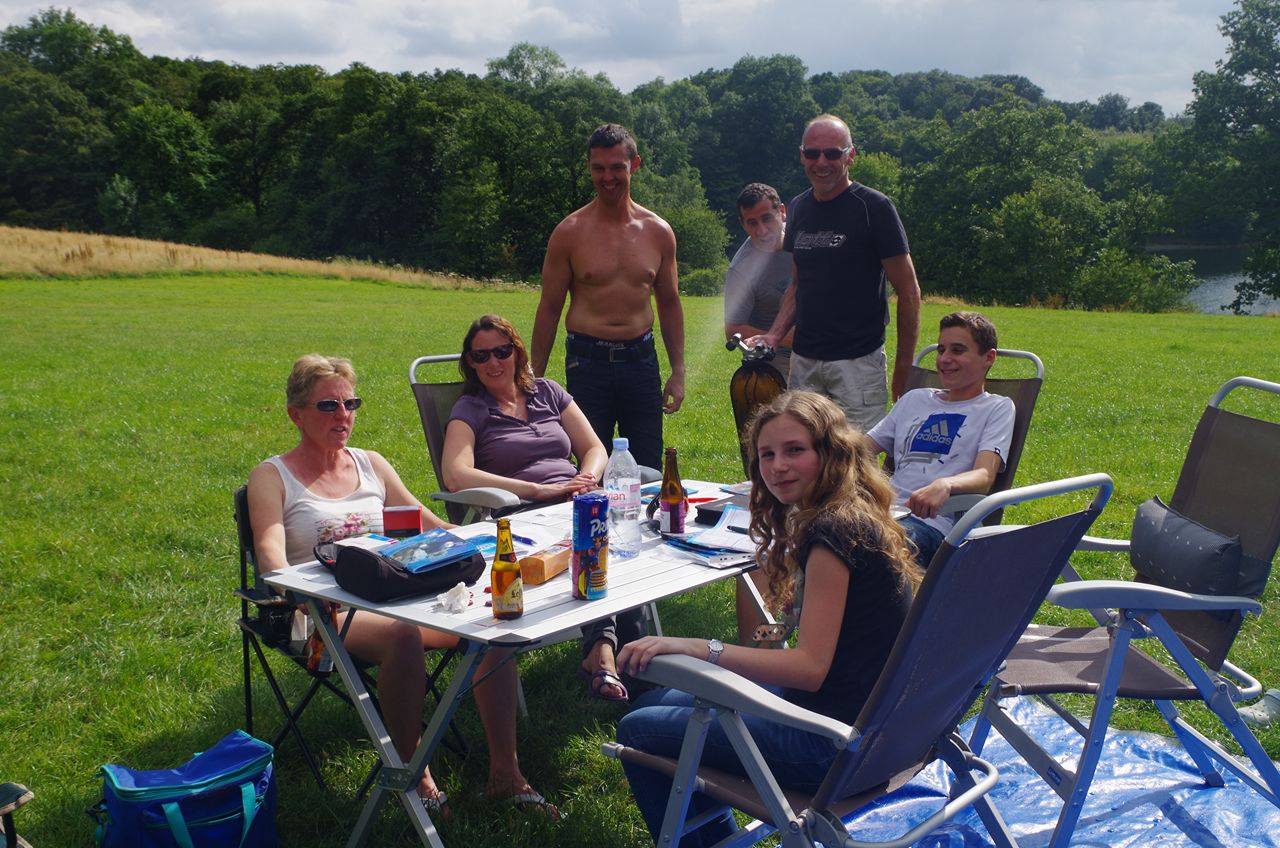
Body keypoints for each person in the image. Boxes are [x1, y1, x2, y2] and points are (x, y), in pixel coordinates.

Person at [247, 354, 556, 817]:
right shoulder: (272, 477)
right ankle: (415, 775)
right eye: (328, 406)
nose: (343, 416)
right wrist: (314, 595)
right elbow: (272, 561)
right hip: (316, 615)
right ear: (296, 414)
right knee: (403, 636)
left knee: (493, 626)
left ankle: (505, 776)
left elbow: (426, 524)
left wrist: (492, 544)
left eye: (350, 403)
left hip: (394, 593)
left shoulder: (370, 464)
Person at [615, 391, 922, 847]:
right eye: (767, 454)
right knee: (652, 704)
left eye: (795, 450)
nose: (778, 466)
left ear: (830, 452)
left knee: (637, 729)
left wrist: (704, 648)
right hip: (883, 728)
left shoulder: (832, 533)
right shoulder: (859, 515)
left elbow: (808, 669)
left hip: (832, 743)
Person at [441, 315, 626, 701]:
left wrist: (587, 480)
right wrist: (535, 490)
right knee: (592, 548)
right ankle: (605, 654)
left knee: (616, 545)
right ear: (470, 363)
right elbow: (456, 474)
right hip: (523, 511)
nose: (493, 362)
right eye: (481, 355)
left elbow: (594, 448)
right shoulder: (471, 408)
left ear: (517, 351)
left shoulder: (548, 392)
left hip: (578, 499)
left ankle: (611, 652)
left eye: (502, 351)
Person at [748, 114, 921, 432]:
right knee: (805, 455)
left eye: (833, 153)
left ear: (850, 156)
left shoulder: (874, 208)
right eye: (812, 153)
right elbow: (799, 284)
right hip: (804, 361)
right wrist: (774, 334)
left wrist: (903, 368)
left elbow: (909, 291)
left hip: (857, 362)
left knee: (855, 462)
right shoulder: (799, 207)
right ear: (802, 156)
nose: (821, 162)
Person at [531, 122, 685, 472]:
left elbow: (670, 302)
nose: (608, 177)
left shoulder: (658, 232)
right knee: (588, 467)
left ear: (635, 164)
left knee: (647, 467)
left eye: (617, 167)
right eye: (598, 168)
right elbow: (550, 306)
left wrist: (678, 370)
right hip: (587, 363)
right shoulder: (569, 233)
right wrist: (534, 377)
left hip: (640, 361)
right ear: (589, 168)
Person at [866, 312, 1014, 567]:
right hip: (883, 511)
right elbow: (860, 449)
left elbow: (984, 476)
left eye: (957, 350)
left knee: (876, 547)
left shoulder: (996, 408)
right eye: (941, 349)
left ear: (988, 358)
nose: (944, 359)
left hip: (937, 523)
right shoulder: (915, 399)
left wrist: (945, 485)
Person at [723, 182, 793, 379]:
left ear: (782, 211)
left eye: (767, 219)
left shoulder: (803, 237)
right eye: (752, 223)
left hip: (822, 348)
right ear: (743, 224)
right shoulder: (740, 270)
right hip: (775, 357)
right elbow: (733, 330)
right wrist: (790, 338)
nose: (761, 230)